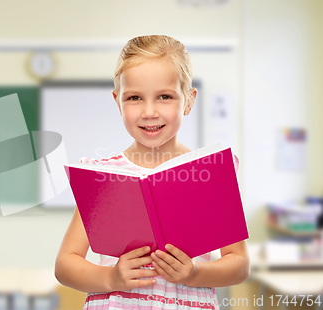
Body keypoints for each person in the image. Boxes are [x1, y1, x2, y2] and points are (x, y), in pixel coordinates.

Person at [54, 35, 250, 309]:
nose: (149, 112)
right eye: (134, 97)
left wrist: (195, 273)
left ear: (188, 101)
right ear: (118, 102)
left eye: (165, 97)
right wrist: (111, 277)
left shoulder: (210, 174)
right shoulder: (103, 176)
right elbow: (65, 264)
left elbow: (239, 265)